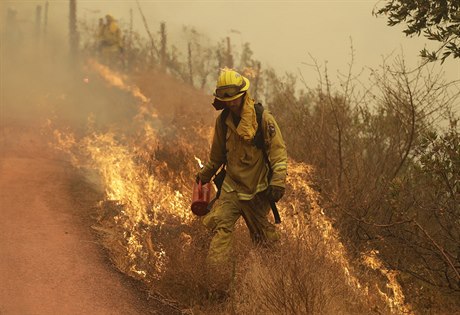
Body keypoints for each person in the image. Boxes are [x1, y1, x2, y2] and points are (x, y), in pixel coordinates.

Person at [196, 69, 288, 268]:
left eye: (235, 98)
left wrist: (278, 182)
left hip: (256, 191)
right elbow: (217, 156)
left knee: (265, 240)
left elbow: (278, 154)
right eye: (226, 100)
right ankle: (216, 280)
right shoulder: (223, 122)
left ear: (243, 94)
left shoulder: (263, 119)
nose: (231, 103)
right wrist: (204, 175)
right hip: (232, 189)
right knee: (220, 226)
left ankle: (273, 278)